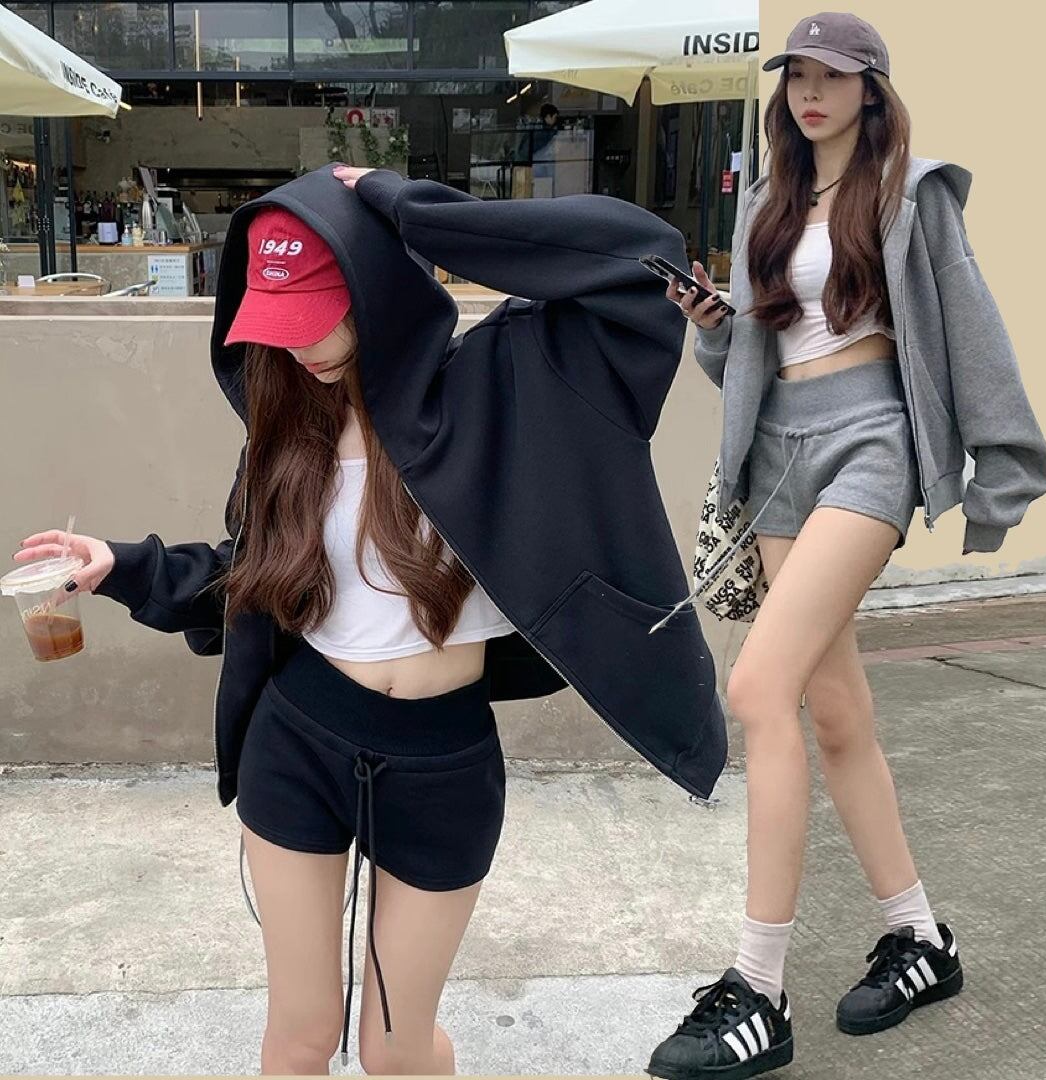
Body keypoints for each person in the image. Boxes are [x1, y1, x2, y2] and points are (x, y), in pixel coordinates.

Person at [13, 163, 728, 1075]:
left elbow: (637, 254)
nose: (301, 347)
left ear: (379, 284)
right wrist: (125, 567)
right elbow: (256, 576)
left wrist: (402, 205)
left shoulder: (507, 385)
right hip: (298, 742)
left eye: (321, 315)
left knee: (397, 1049)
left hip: (443, 763)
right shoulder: (289, 429)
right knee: (302, 1036)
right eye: (281, 324)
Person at [645, 12, 1046, 1080]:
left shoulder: (912, 195)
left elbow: (972, 331)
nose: (810, 92)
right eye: (798, 76)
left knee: (757, 688)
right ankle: (920, 936)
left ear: (872, 88)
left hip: (872, 442)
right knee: (835, 715)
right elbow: (752, 356)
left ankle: (757, 989)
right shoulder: (769, 203)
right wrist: (711, 326)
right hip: (779, 452)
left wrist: (1002, 474)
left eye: (833, 76)